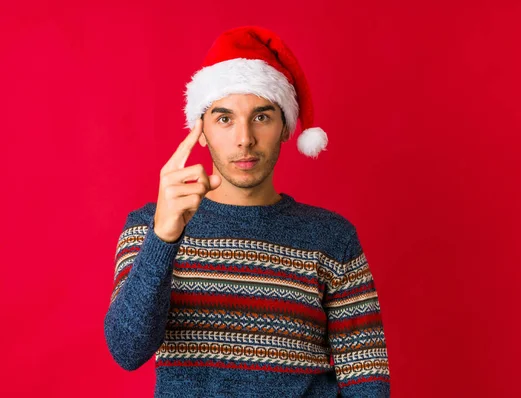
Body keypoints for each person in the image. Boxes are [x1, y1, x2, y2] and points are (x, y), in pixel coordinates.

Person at [104, 25, 390, 398]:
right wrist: (163, 238)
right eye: (224, 118)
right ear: (200, 130)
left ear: (285, 126)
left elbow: (367, 379)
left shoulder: (332, 238)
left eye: (261, 117)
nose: (244, 138)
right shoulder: (149, 226)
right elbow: (127, 350)